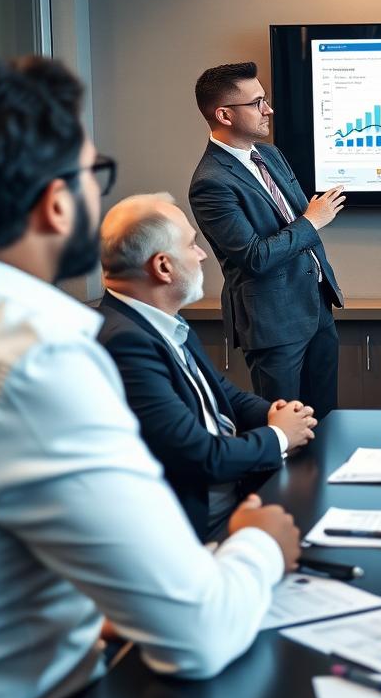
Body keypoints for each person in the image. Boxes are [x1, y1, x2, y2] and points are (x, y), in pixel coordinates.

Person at [0, 56, 299, 698]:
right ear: (56, 202)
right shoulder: (40, 355)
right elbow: (198, 634)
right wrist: (260, 547)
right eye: (93, 173)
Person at [97, 193, 318, 542]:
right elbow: (200, 456)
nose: (201, 255)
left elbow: (221, 394)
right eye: (192, 245)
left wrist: (276, 411)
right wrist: (279, 436)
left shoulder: (159, 321)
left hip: (235, 502)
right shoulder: (125, 343)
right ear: (163, 267)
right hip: (199, 532)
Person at [189, 61, 345, 417]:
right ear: (225, 115)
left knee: (326, 419)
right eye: (257, 102)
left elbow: (294, 216)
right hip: (274, 321)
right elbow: (255, 257)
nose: (268, 109)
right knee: (285, 428)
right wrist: (312, 221)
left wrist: (309, 220)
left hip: (316, 307)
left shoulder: (269, 155)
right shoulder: (210, 182)